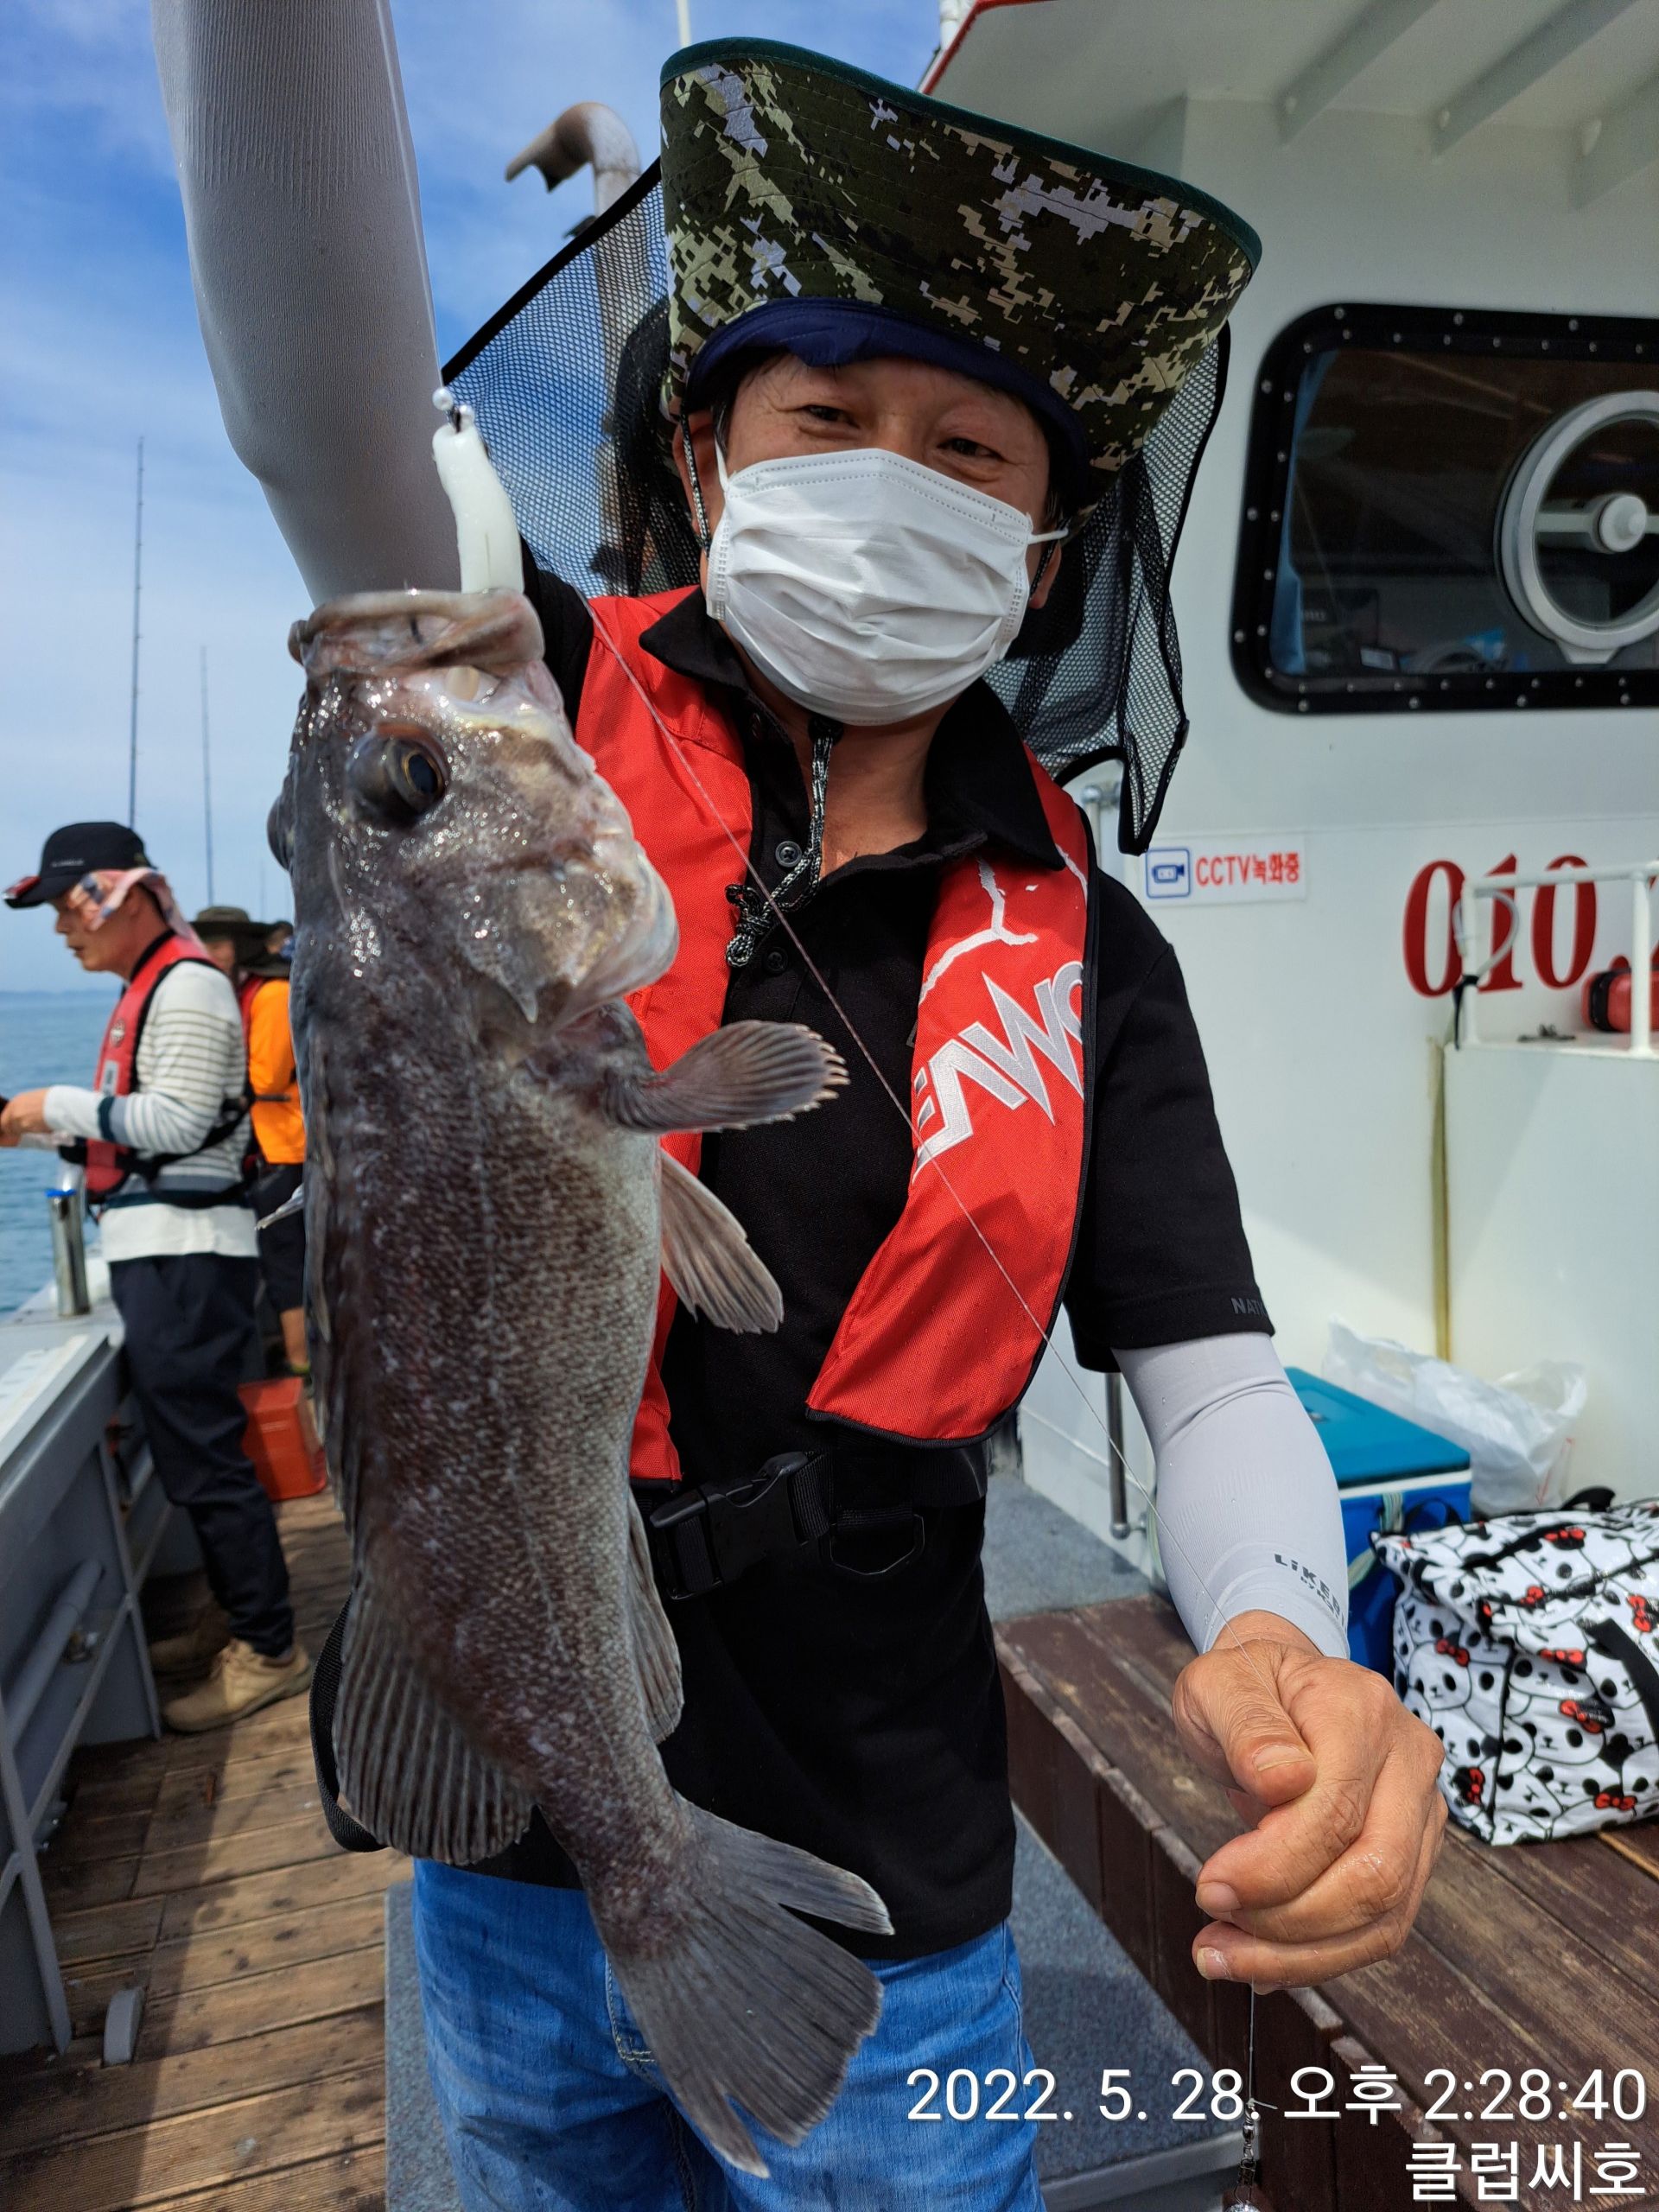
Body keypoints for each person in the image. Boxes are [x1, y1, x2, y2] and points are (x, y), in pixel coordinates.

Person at [153, 12, 1448, 2207]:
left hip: (882, 1854)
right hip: (511, 1841)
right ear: (711, 459)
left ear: (1047, 555)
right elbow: (332, 427)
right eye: (827, 417)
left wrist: (1270, 1636)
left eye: (974, 450)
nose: (894, 480)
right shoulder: (507, 723)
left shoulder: (1092, 952)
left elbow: (1211, 1375)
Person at [2, 825, 311, 1732]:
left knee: (204, 1454)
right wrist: (43, 1129)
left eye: (69, 907)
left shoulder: (181, 986)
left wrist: (50, 1103)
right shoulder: (161, 983)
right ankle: (238, 1610)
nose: (62, 929)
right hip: (169, 1249)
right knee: (191, 1450)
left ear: (125, 895)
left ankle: (270, 1647)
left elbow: (175, 1125)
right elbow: (156, 1124)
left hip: (183, 1254)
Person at [194, 904, 315, 1454]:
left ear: (241, 948)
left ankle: (302, 1366)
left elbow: (266, 1075)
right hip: (270, 1143)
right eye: (207, 943)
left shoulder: (267, 996)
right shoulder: (243, 994)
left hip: (286, 1145)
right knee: (286, 1257)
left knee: (285, 1260)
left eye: (220, 944)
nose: (212, 954)